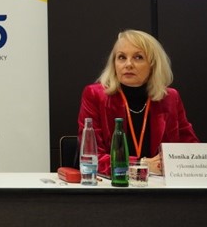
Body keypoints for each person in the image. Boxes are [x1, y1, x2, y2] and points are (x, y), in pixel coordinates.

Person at [78, 29, 198, 176]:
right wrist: (141, 165)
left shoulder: (170, 98)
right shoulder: (95, 95)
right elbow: (91, 157)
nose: (128, 64)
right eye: (122, 57)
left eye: (138, 57)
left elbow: (191, 151)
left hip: (159, 185)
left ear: (153, 64)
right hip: (114, 183)